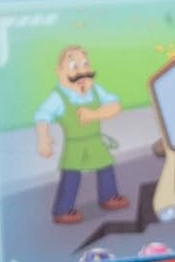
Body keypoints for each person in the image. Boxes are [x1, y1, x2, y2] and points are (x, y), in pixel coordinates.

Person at [33, 46, 130, 224]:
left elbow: (115, 105)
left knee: (105, 166)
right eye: (74, 66)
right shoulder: (59, 97)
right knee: (72, 174)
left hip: (94, 140)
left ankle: (108, 196)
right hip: (75, 143)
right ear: (60, 72)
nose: (82, 71)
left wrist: (94, 114)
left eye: (85, 64)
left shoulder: (95, 90)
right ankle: (63, 209)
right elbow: (42, 115)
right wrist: (43, 139)